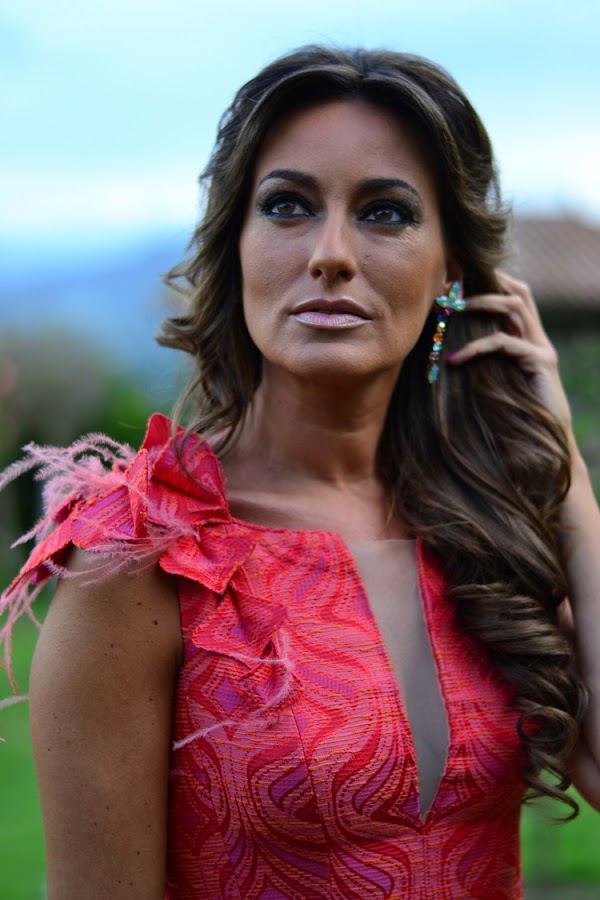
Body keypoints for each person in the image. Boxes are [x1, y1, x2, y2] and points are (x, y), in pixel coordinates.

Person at [1, 45, 599, 899]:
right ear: (236, 247)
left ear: (451, 272)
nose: (331, 253)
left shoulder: (483, 530)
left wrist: (564, 472)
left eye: (386, 212)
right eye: (287, 205)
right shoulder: (145, 553)